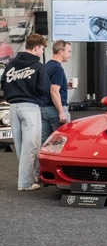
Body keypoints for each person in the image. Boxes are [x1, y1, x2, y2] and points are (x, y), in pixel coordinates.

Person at [0, 33, 50, 191]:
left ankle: (28, 178)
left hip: (13, 107)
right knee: (32, 146)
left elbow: (3, 83)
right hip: (30, 107)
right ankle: (26, 183)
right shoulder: (37, 66)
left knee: (21, 146)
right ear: (36, 48)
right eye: (42, 49)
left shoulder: (10, 64)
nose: (42, 52)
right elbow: (44, 88)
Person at [40, 40, 72, 144]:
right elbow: (54, 91)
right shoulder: (58, 69)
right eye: (69, 51)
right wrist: (61, 112)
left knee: (44, 143)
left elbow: (47, 86)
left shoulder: (46, 66)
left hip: (43, 109)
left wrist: (65, 85)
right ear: (61, 52)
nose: (70, 55)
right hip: (55, 110)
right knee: (61, 143)